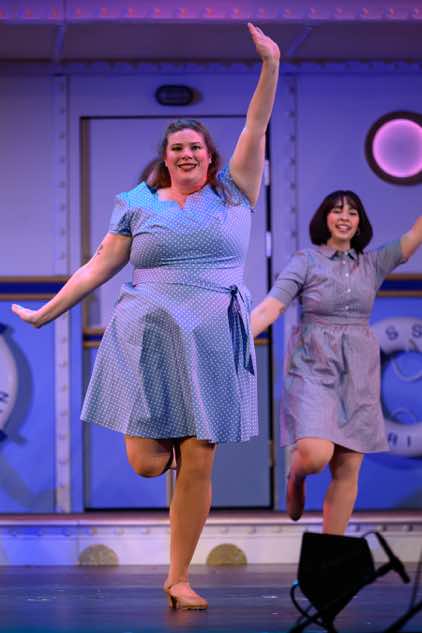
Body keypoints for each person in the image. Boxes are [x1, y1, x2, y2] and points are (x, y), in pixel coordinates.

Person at [12, 23, 280, 610]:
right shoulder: (137, 203)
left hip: (212, 334)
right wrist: (46, 315)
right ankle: (173, 456)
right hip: (149, 335)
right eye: (177, 147)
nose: (187, 154)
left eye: (196, 147)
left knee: (199, 457)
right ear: (166, 157)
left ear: (210, 157)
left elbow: (255, 125)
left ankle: (178, 576)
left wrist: (271, 65)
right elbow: (97, 267)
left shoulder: (234, 193)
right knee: (146, 463)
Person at [251, 192, 422, 534]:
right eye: (337, 210)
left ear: (360, 222)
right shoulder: (306, 261)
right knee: (315, 456)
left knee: (347, 469)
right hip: (313, 367)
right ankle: (296, 475)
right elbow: (272, 306)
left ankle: (331, 553)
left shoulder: (373, 263)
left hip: (358, 372)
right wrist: (239, 339)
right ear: (324, 218)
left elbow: (414, 235)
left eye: (352, 212)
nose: (345, 217)